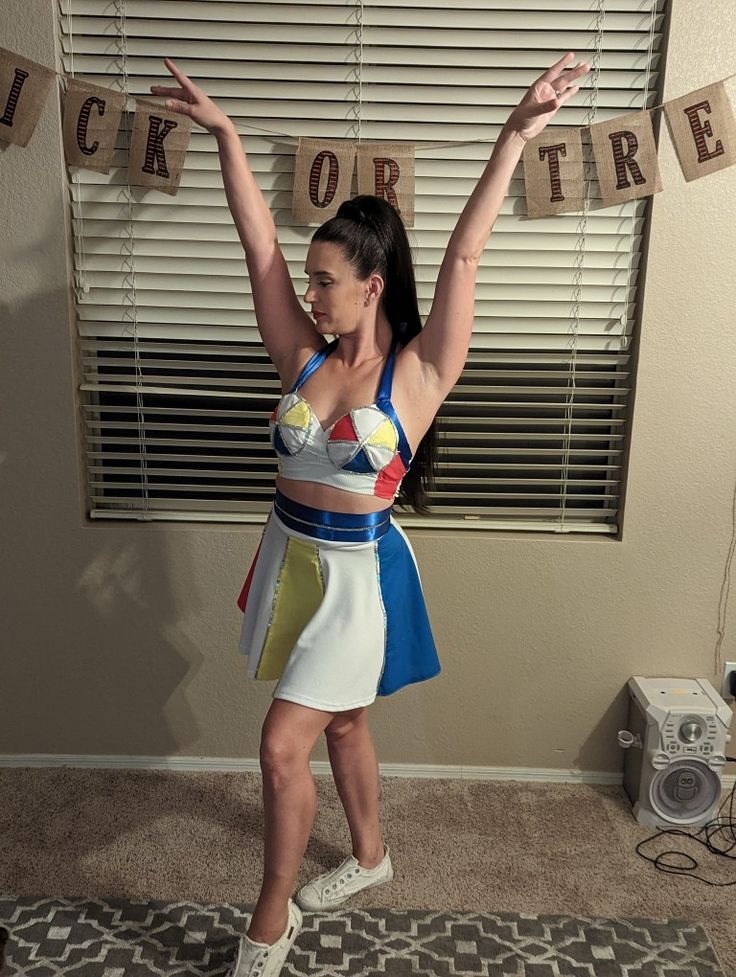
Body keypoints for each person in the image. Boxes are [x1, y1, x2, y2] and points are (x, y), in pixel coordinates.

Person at [151, 51, 589, 977]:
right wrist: (228, 135)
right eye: (308, 281)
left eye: (325, 281)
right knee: (342, 725)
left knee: (279, 746)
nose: (308, 292)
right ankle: (372, 856)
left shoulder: (419, 375)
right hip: (290, 559)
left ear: (373, 284)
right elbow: (257, 244)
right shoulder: (303, 358)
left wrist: (514, 134)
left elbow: (466, 251)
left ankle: (270, 919)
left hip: (358, 580)